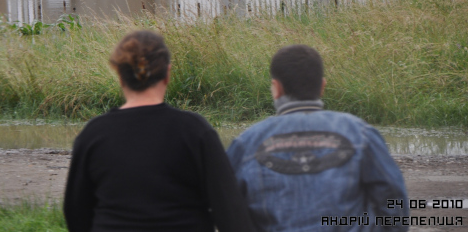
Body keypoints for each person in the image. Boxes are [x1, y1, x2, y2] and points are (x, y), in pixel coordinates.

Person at [63, 30, 255, 232]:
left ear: (120, 76)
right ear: (167, 74)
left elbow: (76, 212)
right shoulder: (195, 131)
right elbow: (230, 210)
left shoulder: (94, 134)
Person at [227, 44, 409, 231]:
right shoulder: (361, 133)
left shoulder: (245, 143)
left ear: (276, 88)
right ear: (322, 86)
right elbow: (393, 199)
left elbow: (228, 210)